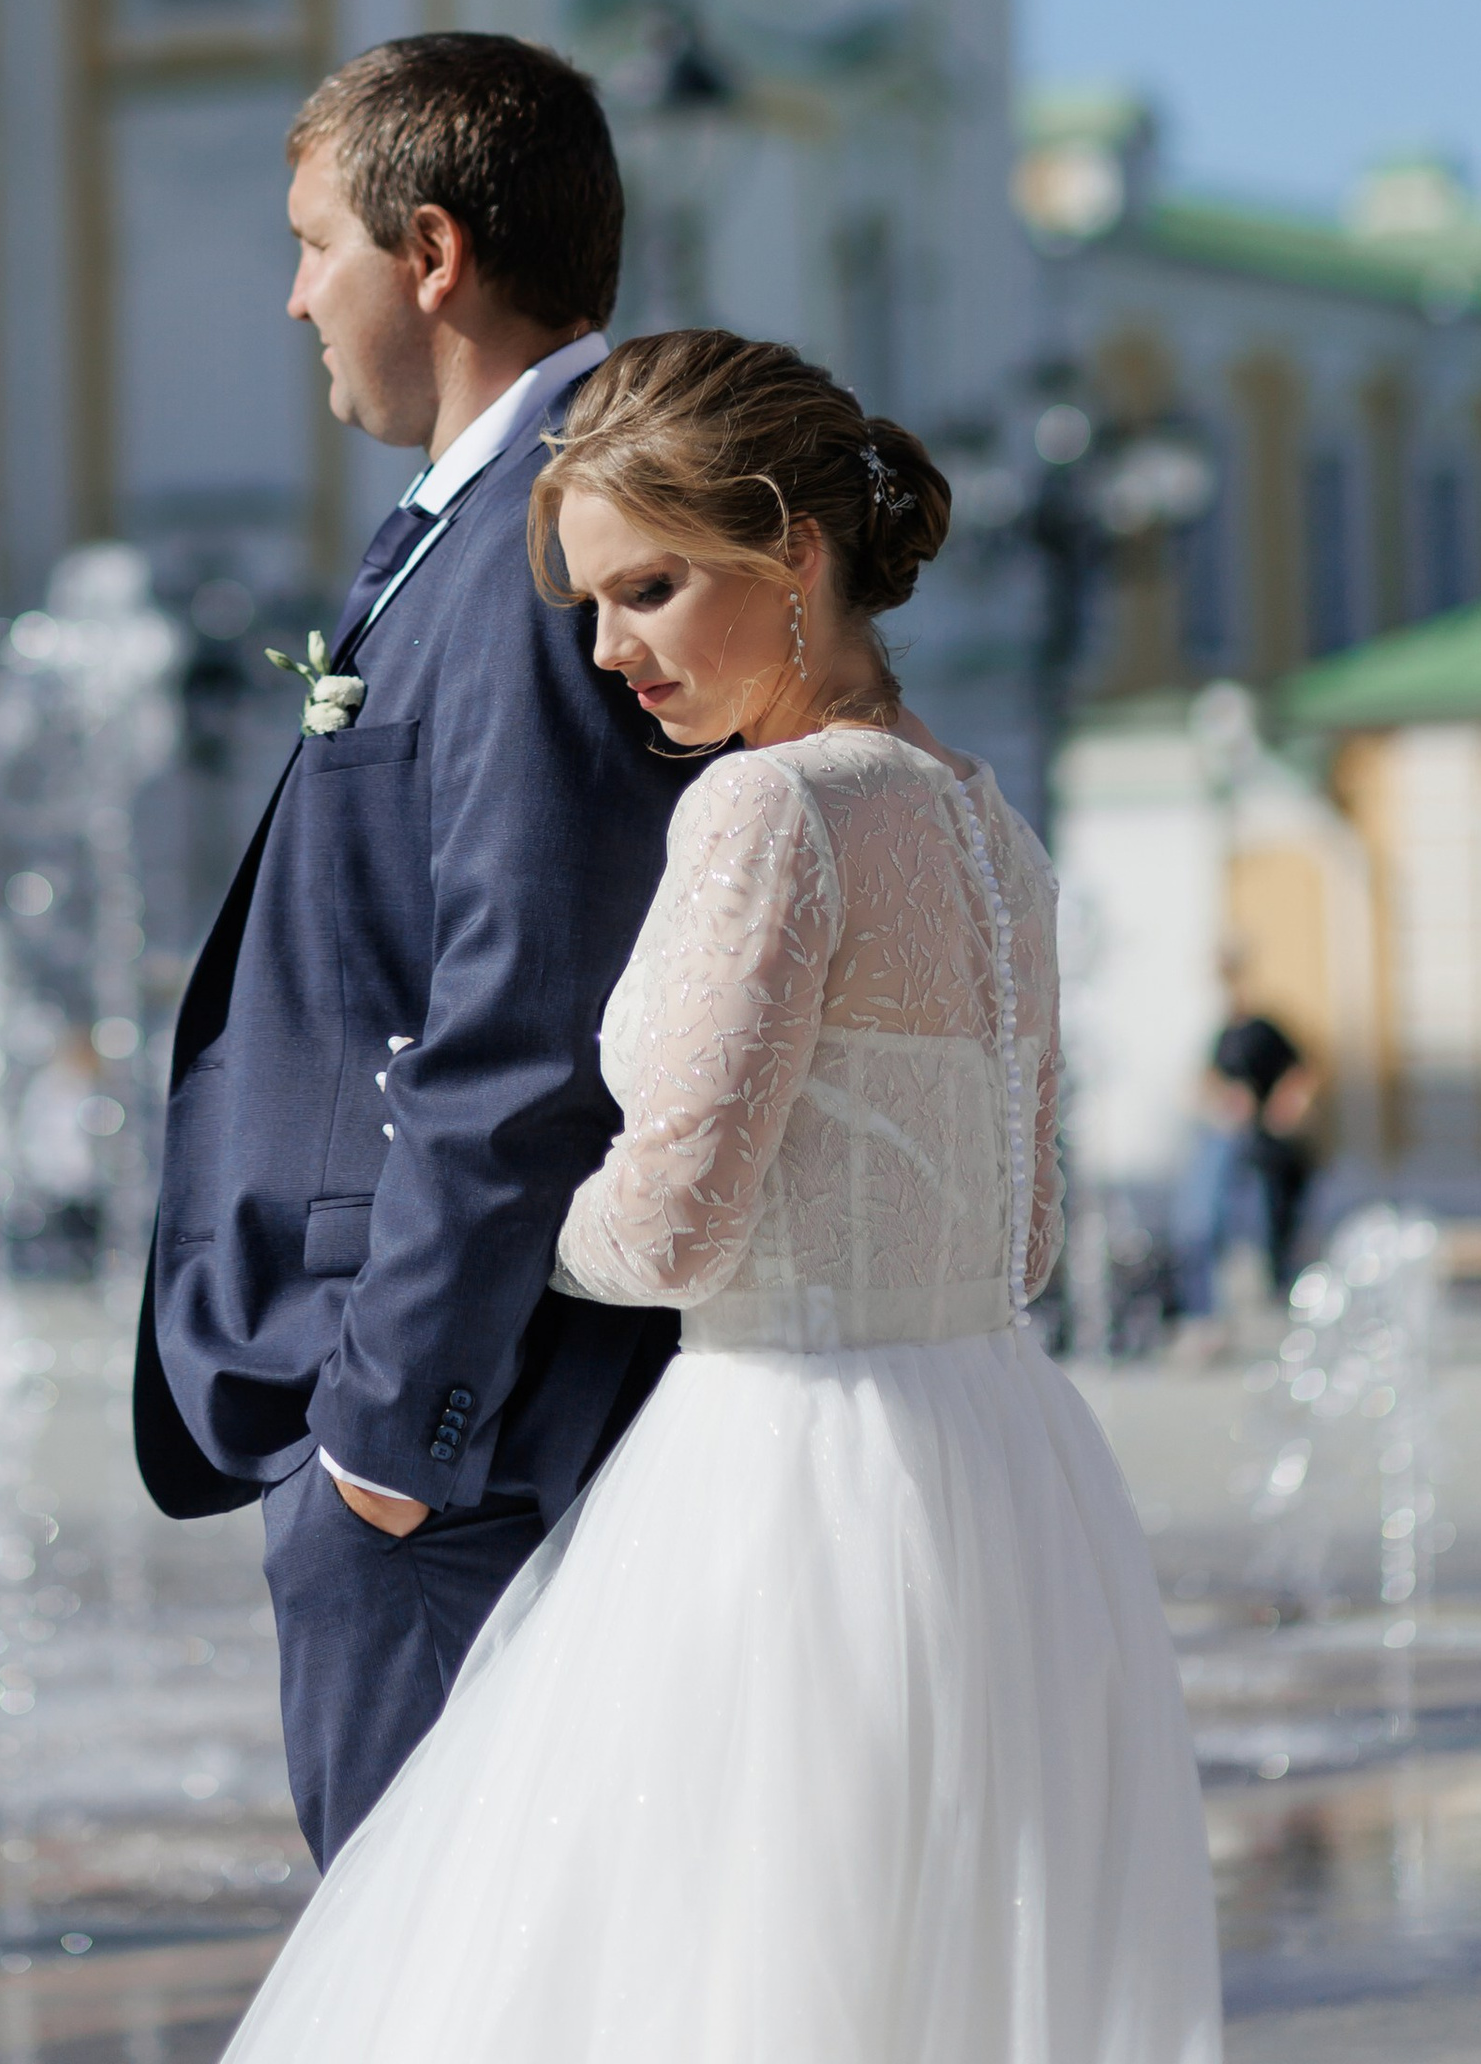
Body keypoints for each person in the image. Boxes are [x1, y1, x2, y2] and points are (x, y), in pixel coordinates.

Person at [222, 329, 1223, 2064]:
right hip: (1008, 1468)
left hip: (783, 1467)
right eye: (595, 605)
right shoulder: (992, 828)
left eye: (652, 589)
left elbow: (672, 1226)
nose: (611, 651)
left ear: (795, 550)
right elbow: (1029, 1233)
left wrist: (480, 1226)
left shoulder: (768, 810)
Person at [135, 33, 715, 1868]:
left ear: (433, 253)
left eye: (318, 244)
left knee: (439, 1964)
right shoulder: (485, 515)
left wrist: (393, 1434)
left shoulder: (560, 533)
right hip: (433, 1430)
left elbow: (527, 1015)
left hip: (453, 1449)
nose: (297, 296)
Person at [1175, 947, 1322, 1317]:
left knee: (1271, 1226)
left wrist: (1282, 1106)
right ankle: (1215, 1307)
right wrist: (1220, 1099)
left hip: (1266, 1148)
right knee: (1213, 1223)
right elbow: (1209, 1083)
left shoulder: (1263, 1029)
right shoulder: (1224, 1035)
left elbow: (1301, 1073)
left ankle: (1279, 1293)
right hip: (1237, 1145)